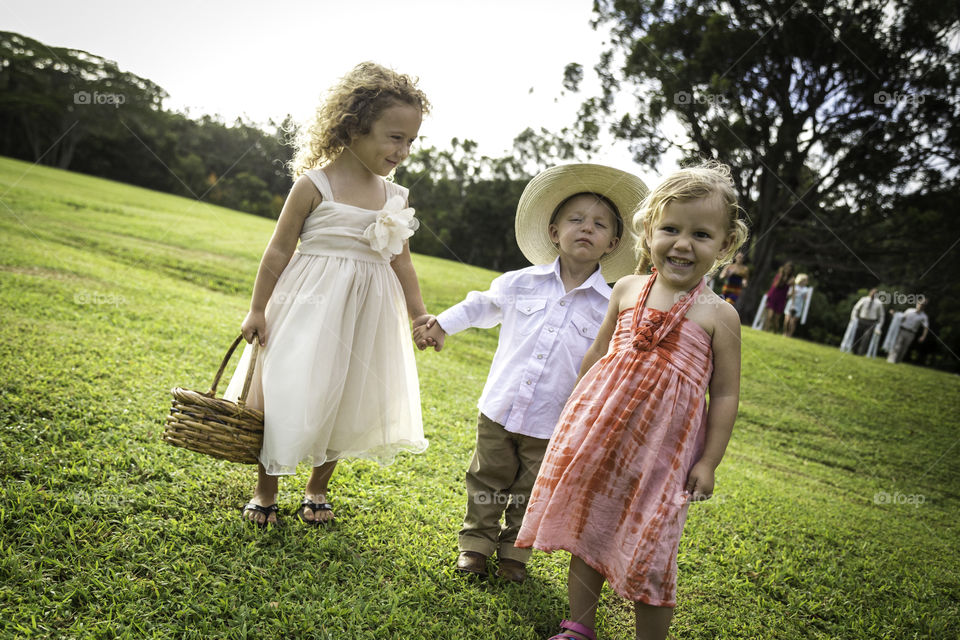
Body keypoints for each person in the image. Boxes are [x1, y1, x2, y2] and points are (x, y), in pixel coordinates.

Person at [515, 161, 748, 640]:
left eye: (701, 234)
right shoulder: (626, 288)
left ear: (725, 246)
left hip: (662, 455)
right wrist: (572, 417)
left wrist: (710, 461)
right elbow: (598, 355)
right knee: (587, 522)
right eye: (670, 229)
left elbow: (724, 393)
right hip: (599, 434)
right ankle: (579, 626)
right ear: (647, 230)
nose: (682, 244)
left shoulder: (719, 315)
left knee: (653, 545)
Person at [222, 62, 434, 528]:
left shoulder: (394, 196)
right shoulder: (313, 184)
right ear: (355, 127)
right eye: (394, 136)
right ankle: (266, 489)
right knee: (287, 388)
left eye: (411, 141)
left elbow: (402, 262)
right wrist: (257, 308)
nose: (403, 150)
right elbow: (277, 252)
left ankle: (317, 487)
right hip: (307, 303)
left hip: (368, 311)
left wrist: (419, 316)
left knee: (346, 395)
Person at [414, 164, 648, 583]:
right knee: (486, 478)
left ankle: (514, 555)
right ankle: (475, 545)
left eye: (598, 224)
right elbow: (481, 305)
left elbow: (613, 362)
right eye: (576, 219)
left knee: (531, 490)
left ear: (612, 244)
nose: (585, 228)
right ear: (555, 231)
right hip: (501, 407)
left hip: (554, 420)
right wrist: (442, 324)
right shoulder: (520, 282)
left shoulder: (610, 306)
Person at [886, 297, 929, 364]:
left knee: (904, 348)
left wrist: (923, 336)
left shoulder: (924, 317)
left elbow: (926, 328)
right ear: (917, 304)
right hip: (902, 330)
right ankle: (891, 360)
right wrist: (894, 314)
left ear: (924, 307)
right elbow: (901, 318)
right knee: (897, 346)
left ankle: (898, 361)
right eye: (920, 304)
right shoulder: (909, 311)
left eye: (923, 305)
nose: (920, 306)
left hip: (911, 334)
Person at [849, 288, 885, 355]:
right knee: (857, 336)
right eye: (872, 293)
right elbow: (856, 308)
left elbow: (881, 316)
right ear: (870, 292)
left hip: (871, 322)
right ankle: (854, 350)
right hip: (861, 320)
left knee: (866, 337)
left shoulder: (879, 303)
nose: (873, 294)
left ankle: (861, 352)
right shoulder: (864, 299)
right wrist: (853, 318)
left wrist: (879, 326)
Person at [762, 261, 794, 332]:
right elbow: (775, 285)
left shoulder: (792, 279)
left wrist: (791, 294)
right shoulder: (779, 275)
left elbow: (793, 291)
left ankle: (775, 332)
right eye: (787, 268)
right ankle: (765, 331)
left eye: (790, 269)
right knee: (769, 316)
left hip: (782, 299)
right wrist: (782, 278)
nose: (788, 270)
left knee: (776, 319)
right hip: (773, 296)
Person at [782, 273, 812, 338]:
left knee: (793, 322)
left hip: (798, 306)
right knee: (787, 320)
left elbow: (806, 299)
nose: (805, 282)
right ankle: (785, 333)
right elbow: (788, 295)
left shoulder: (806, 289)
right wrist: (793, 293)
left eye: (806, 280)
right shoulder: (794, 286)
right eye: (804, 280)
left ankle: (790, 335)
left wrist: (805, 296)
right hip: (791, 304)